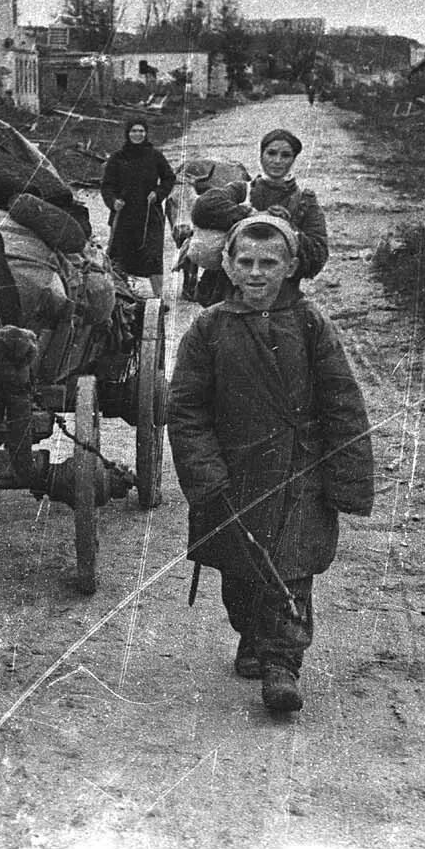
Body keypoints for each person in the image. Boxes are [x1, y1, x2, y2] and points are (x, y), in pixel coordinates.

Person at [167, 214, 374, 716]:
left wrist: (347, 477)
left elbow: (342, 401)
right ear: (228, 266)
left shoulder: (310, 323)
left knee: (292, 567)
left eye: (269, 263)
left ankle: (283, 663)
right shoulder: (210, 327)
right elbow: (186, 408)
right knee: (240, 573)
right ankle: (252, 636)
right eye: (246, 262)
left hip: (299, 471)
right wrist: (205, 473)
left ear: (291, 266)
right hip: (234, 474)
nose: (257, 274)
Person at [190, 128, 329, 305]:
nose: (277, 161)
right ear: (261, 155)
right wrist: (251, 214)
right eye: (271, 153)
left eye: (285, 155)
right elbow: (202, 207)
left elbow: (317, 256)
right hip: (230, 296)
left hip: (280, 299)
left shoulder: (305, 203)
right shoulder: (243, 190)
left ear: (294, 159)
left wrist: (287, 228)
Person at [101, 119, 177, 300]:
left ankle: (159, 297)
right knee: (120, 255)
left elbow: (169, 178)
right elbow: (106, 186)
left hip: (150, 215)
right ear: (127, 133)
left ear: (146, 133)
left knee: (153, 255)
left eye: (141, 131)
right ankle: (122, 294)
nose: (138, 134)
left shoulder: (154, 155)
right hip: (124, 214)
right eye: (134, 131)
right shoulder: (117, 158)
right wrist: (113, 201)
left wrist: (158, 194)